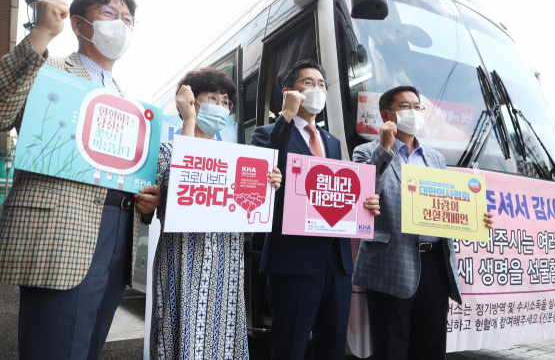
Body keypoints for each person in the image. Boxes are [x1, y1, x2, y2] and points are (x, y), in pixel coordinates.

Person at [0, 0, 162, 360]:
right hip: (64, 232)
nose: (121, 25)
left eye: (128, 20)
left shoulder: (129, 104)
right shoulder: (49, 68)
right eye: (110, 14)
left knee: (87, 348)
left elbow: (129, 175)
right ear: (78, 23)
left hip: (118, 234)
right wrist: (40, 34)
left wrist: (146, 200)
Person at [352, 86, 495, 360]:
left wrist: (476, 217)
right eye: (406, 106)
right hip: (391, 263)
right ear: (386, 115)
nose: (414, 112)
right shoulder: (365, 152)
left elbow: (448, 206)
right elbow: (365, 193)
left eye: (418, 107)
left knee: (430, 347)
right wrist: (384, 146)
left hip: (434, 266)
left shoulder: (436, 158)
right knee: (391, 349)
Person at [251, 59, 380, 360]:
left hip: (336, 264)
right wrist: (285, 116)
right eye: (308, 83)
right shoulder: (267, 132)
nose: (317, 89)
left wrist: (365, 203)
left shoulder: (332, 142)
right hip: (293, 261)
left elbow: (335, 195)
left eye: (322, 84)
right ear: (289, 91)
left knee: (332, 348)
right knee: (289, 348)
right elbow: (265, 169)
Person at [150, 68, 282, 360]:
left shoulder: (237, 159)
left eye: (226, 103)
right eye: (213, 98)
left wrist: (268, 188)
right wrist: (189, 122)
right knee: (180, 333)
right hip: (184, 259)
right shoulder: (166, 151)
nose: (221, 107)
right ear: (191, 102)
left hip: (226, 263)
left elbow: (249, 218)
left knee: (223, 337)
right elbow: (175, 194)